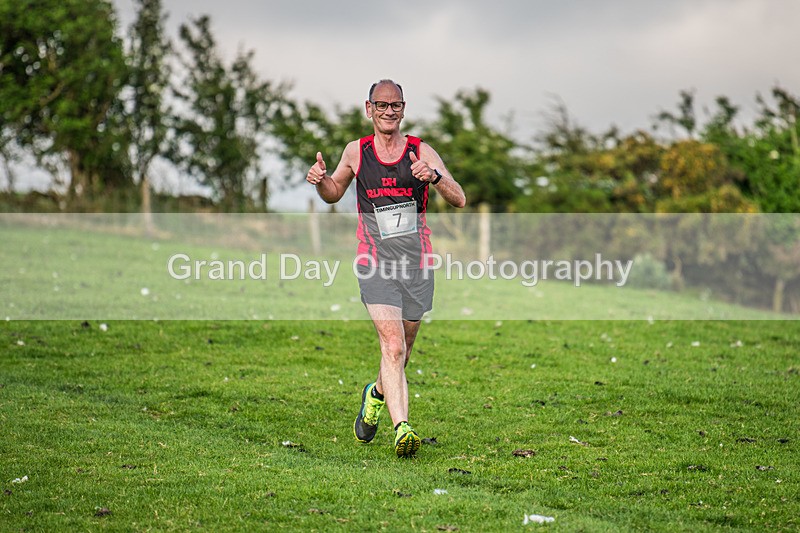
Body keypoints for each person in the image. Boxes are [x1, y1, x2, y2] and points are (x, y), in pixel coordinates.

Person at [306, 79, 466, 457]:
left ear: (404, 109)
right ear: (369, 108)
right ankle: (403, 430)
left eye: (395, 106)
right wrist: (321, 181)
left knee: (404, 351)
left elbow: (459, 198)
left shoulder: (420, 151)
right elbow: (334, 194)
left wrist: (435, 177)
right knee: (392, 347)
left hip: (416, 264)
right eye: (382, 105)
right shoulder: (357, 151)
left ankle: (375, 394)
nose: (388, 111)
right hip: (373, 261)